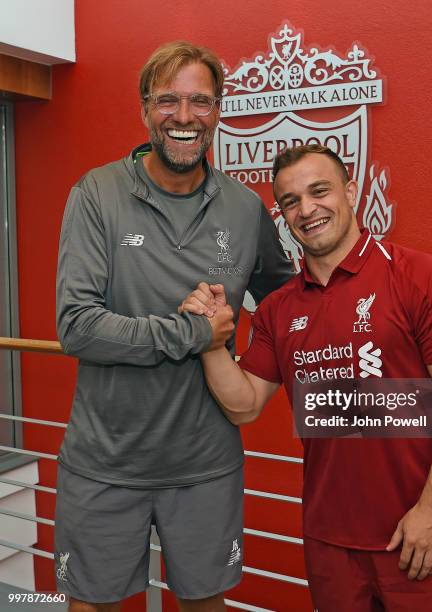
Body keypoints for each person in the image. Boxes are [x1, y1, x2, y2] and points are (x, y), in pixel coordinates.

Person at [181, 144, 432, 611]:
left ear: (351, 191)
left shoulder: (419, 276)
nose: (307, 209)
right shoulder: (278, 309)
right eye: (291, 201)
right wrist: (209, 339)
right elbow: (243, 404)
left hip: (417, 533)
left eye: (319, 191)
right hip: (329, 542)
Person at [55, 41, 292, 612]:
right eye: (168, 101)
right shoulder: (96, 194)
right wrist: (192, 335)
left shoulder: (243, 206)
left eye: (200, 102)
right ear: (145, 110)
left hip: (206, 465)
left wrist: (261, 373)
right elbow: (76, 325)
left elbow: (288, 303)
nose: (184, 117)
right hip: (104, 464)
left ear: (218, 111)